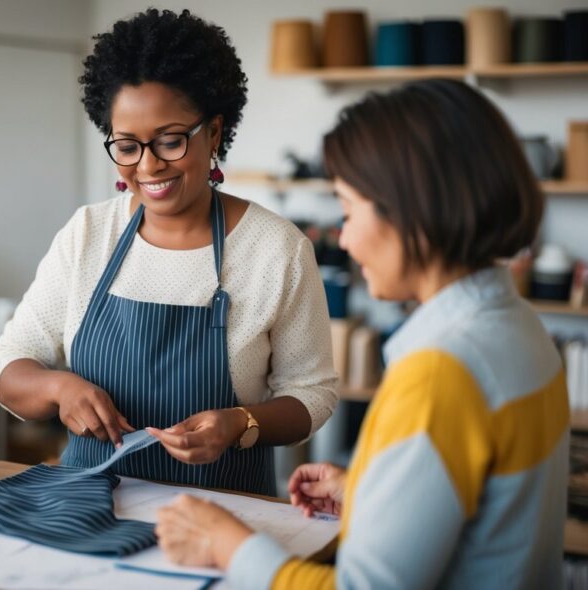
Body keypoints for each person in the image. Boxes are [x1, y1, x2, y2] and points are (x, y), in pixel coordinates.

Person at [155, 79, 569, 588]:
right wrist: (380, 497)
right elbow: (494, 513)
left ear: (412, 208)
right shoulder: (520, 326)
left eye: (350, 211)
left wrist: (227, 544)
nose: (345, 239)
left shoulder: (438, 373)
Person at [0, 8, 337, 495]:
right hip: (88, 505)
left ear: (214, 132)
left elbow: (312, 394)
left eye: (170, 141)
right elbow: (9, 363)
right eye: (128, 146)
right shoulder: (89, 233)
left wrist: (239, 423)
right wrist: (57, 387)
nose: (149, 166)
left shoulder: (276, 249)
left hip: (225, 517)